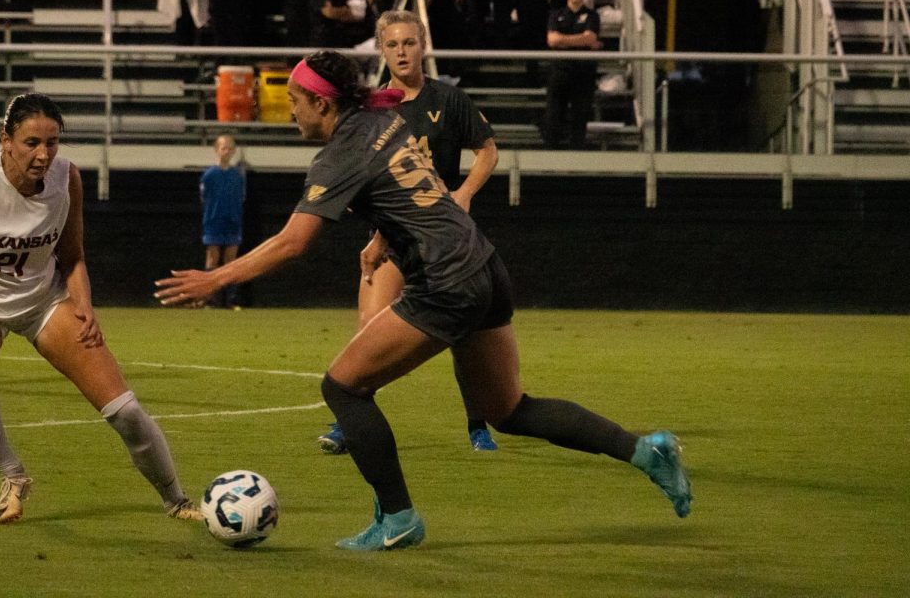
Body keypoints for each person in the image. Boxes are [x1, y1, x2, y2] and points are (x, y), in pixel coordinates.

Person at [156, 49, 692, 550]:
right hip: (483, 263)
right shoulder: (385, 120)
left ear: (322, 102)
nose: (290, 112)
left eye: (295, 102)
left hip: (447, 281)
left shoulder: (338, 153)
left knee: (343, 387)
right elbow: (411, 192)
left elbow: (294, 242)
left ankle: (397, 518)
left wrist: (215, 278)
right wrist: (382, 237)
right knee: (508, 409)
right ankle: (647, 451)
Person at [0, 93, 203, 524]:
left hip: (42, 301)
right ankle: (12, 474)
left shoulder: (66, 179)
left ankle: (177, 501)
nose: (43, 154)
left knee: (126, 410)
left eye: (52, 143)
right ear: (5, 141)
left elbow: (72, 254)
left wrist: (84, 304)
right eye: (31, 143)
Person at [315, 9, 501, 456]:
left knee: (463, 337)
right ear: (382, 50)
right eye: (393, 44)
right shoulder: (373, 109)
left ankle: (477, 424)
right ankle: (350, 415)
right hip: (396, 240)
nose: (402, 51)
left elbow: (488, 151)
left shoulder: (448, 99)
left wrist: (465, 192)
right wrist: (378, 235)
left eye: (409, 43)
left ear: (423, 46)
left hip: (444, 242)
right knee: (368, 325)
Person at [544, 0, 603, 149]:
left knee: (580, 116)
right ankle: (550, 154)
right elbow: (552, 40)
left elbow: (590, 37)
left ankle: (576, 156)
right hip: (560, 71)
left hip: (583, 73)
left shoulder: (592, 16)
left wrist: (564, 40)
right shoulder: (557, 14)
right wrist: (581, 40)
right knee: (554, 115)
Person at [200, 134, 246, 308]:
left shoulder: (237, 176)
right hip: (213, 223)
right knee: (212, 260)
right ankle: (210, 299)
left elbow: (241, 198)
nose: (226, 151)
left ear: (233, 151)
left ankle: (231, 299)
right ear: (216, 150)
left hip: (233, 222)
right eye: (223, 147)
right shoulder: (209, 175)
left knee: (231, 262)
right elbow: (203, 198)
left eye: (229, 148)